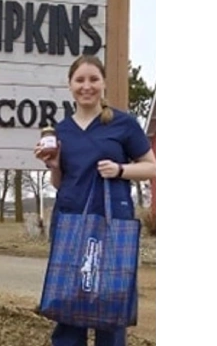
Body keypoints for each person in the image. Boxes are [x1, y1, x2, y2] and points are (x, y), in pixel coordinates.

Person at [34, 54, 157, 346]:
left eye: (93, 79)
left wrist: (121, 170)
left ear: (103, 84)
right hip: (70, 219)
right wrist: (53, 167)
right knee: (68, 304)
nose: (86, 86)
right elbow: (60, 182)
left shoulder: (123, 124)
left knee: (110, 305)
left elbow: (151, 166)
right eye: (80, 80)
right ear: (69, 85)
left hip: (113, 221)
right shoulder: (60, 131)